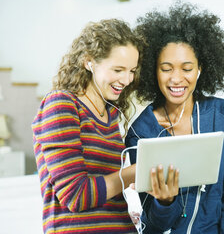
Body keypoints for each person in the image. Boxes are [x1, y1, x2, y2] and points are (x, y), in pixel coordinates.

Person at [125, 2, 224, 233]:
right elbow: (150, 226)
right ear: (154, 70)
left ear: (201, 68)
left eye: (187, 68)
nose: (176, 79)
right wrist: (165, 202)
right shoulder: (141, 132)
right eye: (166, 68)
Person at [32, 19, 143, 234]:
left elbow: (109, 187)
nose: (127, 79)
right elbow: (76, 195)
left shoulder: (110, 113)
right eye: (118, 69)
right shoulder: (61, 104)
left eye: (132, 70)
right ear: (89, 62)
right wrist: (135, 173)